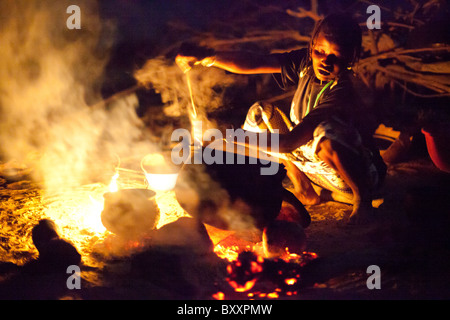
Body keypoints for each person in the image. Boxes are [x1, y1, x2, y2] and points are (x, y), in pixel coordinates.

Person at [176, 13, 386, 224]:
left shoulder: (342, 92)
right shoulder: (305, 64)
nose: (325, 62)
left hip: (357, 176)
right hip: (312, 165)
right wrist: (207, 57)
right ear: (312, 45)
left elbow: (289, 143)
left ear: (351, 57)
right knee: (260, 113)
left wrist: (225, 136)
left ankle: (362, 200)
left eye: (336, 56)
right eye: (319, 51)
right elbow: (255, 62)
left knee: (325, 133)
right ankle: (305, 190)